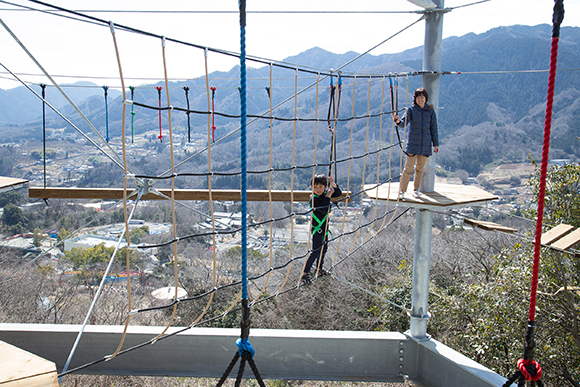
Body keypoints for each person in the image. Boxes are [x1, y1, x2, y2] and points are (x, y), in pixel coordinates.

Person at [393, 87, 439, 199]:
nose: (420, 99)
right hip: (413, 145)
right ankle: (402, 191)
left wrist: (436, 144)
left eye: (422, 97)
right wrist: (398, 121)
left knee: (419, 169)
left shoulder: (430, 111)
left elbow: (434, 129)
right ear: (415, 99)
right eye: (418, 97)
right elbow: (403, 123)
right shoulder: (411, 110)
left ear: (425, 98)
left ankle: (416, 190)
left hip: (425, 145)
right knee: (408, 169)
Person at [301, 174, 342, 285]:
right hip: (317, 229)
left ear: (325, 187)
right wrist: (328, 196)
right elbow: (324, 210)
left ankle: (319, 269)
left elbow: (338, 194)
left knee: (323, 250)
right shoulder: (313, 199)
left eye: (320, 187)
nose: (318, 189)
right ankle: (305, 274)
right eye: (315, 187)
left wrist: (333, 185)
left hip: (324, 228)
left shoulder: (324, 194)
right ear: (311, 187)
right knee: (315, 251)